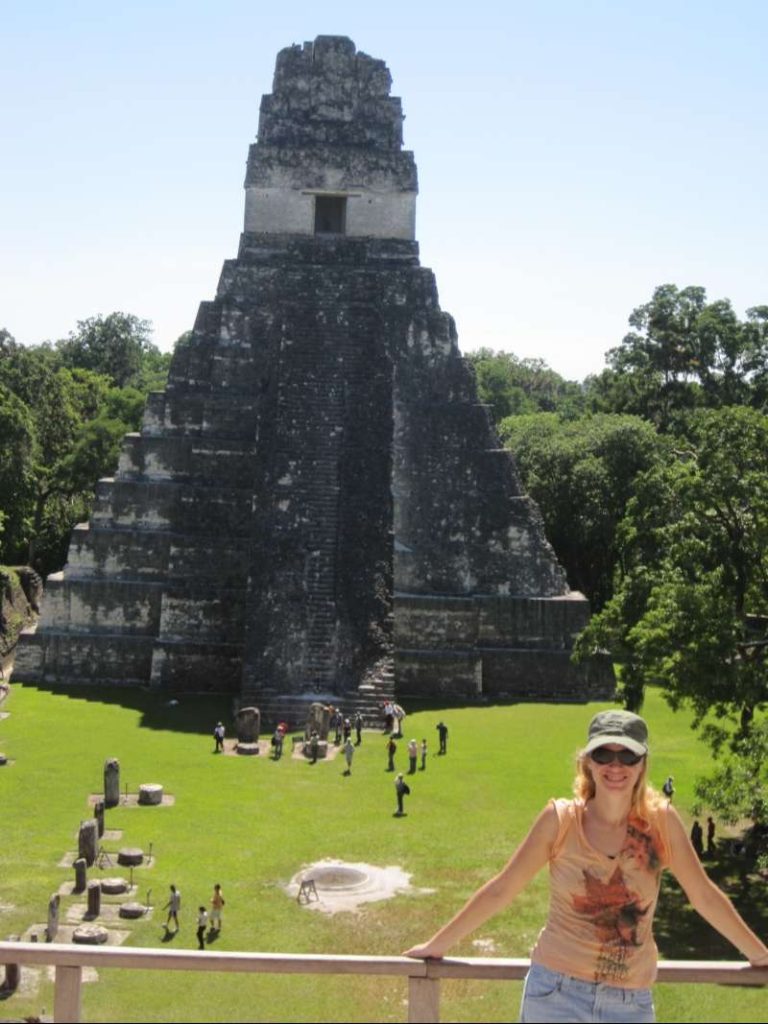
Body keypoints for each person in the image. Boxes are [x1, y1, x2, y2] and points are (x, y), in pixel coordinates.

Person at [405, 709, 768, 1023]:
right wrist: (436, 945)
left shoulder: (661, 824)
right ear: (587, 761)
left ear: (642, 764)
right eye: (603, 754)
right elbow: (503, 889)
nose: (615, 766)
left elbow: (703, 895)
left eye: (627, 755)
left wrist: (760, 954)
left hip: (630, 1003)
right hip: (555, 995)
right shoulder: (560, 820)